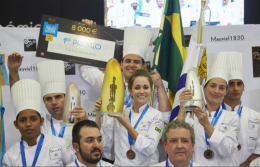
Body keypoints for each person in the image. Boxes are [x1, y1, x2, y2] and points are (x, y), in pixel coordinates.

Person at [80, 24, 171, 162]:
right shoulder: (109, 81)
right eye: (128, 61)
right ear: (121, 64)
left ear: (144, 65)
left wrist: (159, 86)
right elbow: (84, 67)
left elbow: (165, 118)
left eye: (136, 62)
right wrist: (89, 33)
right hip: (111, 155)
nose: (131, 65)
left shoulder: (153, 87)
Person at [7, 54, 88, 144]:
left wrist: (86, 124)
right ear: (44, 103)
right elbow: (19, 97)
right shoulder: (40, 121)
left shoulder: (78, 119)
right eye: (48, 99)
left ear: (66, 98)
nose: (54, 102)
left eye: (58, 97)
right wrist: (13, 71)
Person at [176, 52, 240, 166]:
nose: (216, 91)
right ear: (205, 87)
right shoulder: (192, 114)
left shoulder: (232, 117)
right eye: (212, 86)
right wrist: (182, 106)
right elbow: (176, 136)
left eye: (221, 88)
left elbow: (227, 150)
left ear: (226, 91)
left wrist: (206, 124)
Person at [95, 67, 164, 166]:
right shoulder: (120, 113)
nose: (141, 91)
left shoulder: (156, 115)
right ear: (130, 91)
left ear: (151, 90)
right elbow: (102, 140)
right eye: (137, 87)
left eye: (145, 87)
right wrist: (98, 114)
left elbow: (150, 149)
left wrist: (127, 125)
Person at [2, 79, 75, 166]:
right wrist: (14, 72)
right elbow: (19, 93)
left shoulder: (61, 144)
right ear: (16, 124)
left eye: (33, 119)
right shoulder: (10, 156)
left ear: (41, 121)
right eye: (22, 120)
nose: (28, 124)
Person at [222, 52, 260, 166]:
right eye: (231, 84)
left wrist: (247, 163)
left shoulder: (256, 117)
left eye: (239, 84)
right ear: (224, 87)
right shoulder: (214, 115)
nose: (236, 88)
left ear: (243, 87)